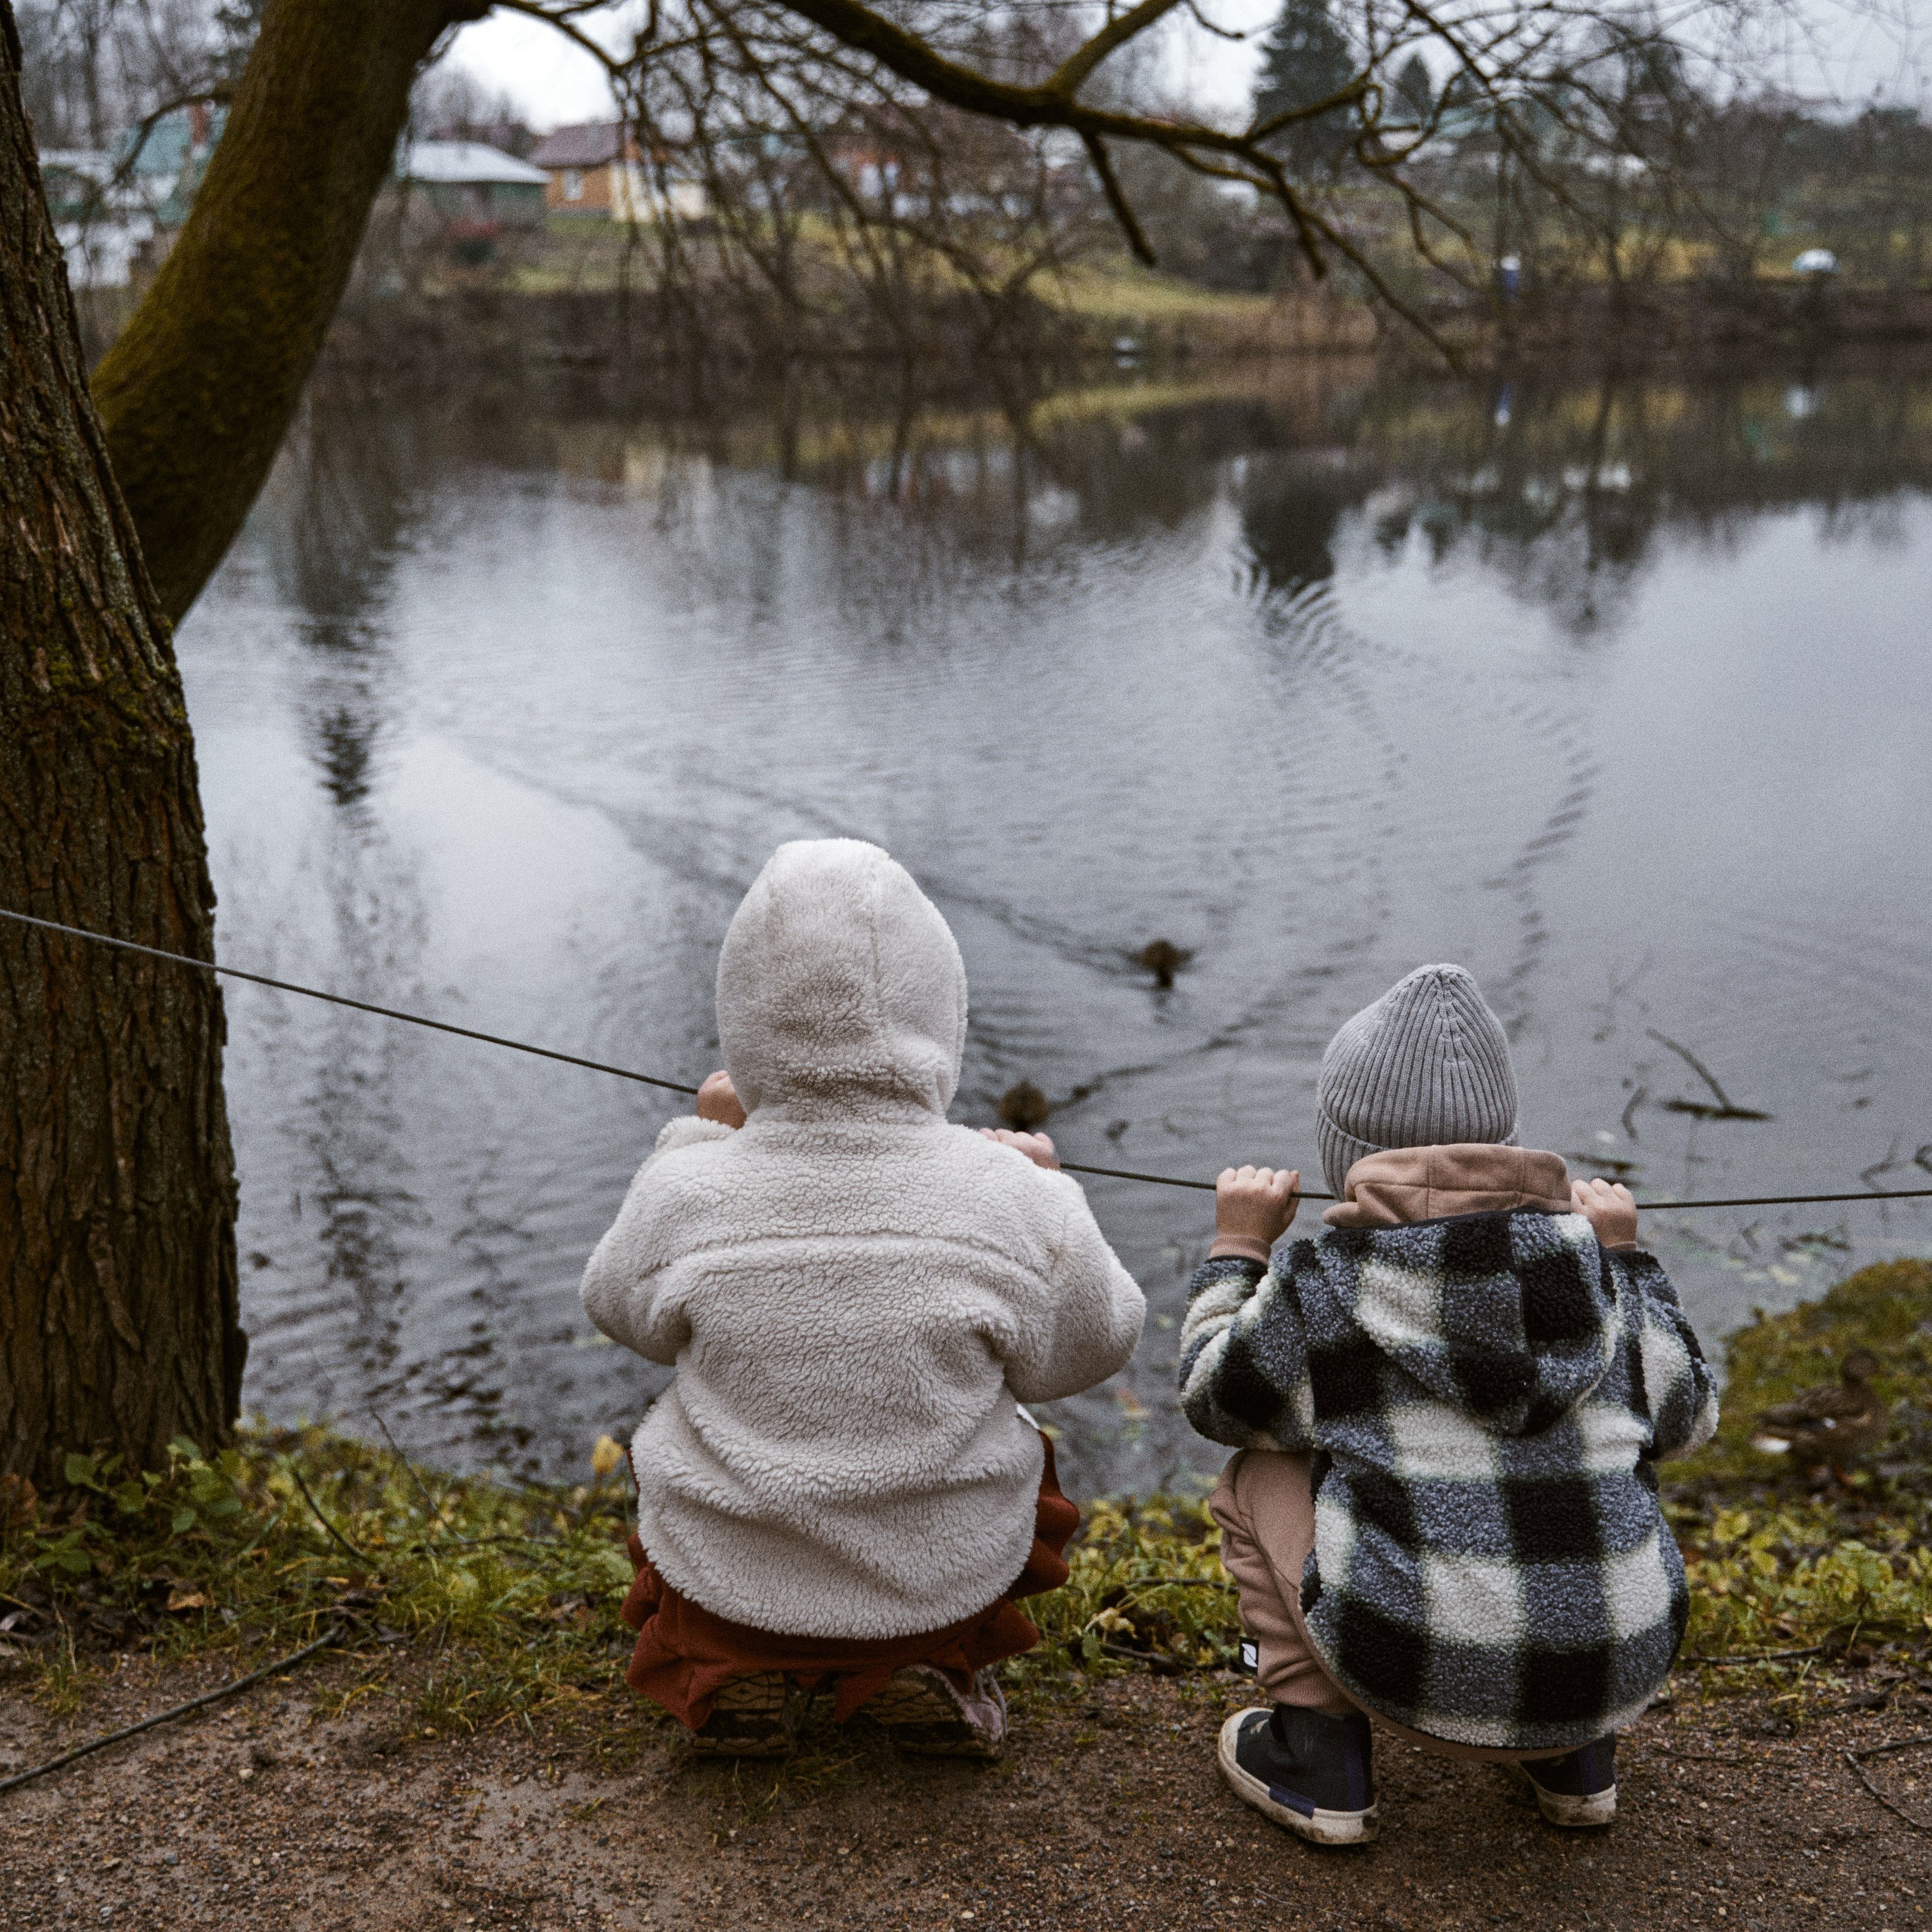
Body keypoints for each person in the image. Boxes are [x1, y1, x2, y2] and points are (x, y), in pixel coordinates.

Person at [582, 838, 1146, 1759]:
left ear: (742, 1016)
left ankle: (733, 1671)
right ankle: (931, 1668)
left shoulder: (687, 1190)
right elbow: (1092, 1343)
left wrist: (697, 1140)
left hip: (729, 1579)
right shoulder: (1009, 1195)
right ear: (941, 1011)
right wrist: (1049, 1186)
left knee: (675, 1442)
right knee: (1022, 1450)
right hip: (937, 1584)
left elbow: (618, 1306)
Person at [1178, 964, 1717, 1844]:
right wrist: (1629, 1260)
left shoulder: (1322, 1285)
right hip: (1614, 1675)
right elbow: (1686, 1421)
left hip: (1411, 1675)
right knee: (1586, 1468)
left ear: (1343, 1155)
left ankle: (1318, 1754)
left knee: (1256, 1472)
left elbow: (1212, 1399)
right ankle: (1574, 1765)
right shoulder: (1598, 1273)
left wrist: (1237, 1246)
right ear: (1505, 1140)